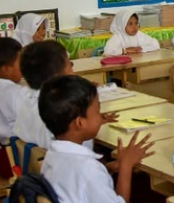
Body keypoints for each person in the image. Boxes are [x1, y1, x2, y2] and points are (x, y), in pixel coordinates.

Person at [40, 75, 154, 203]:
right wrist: (126, 166)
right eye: (97, 110)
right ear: (80, 123)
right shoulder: (87, 168)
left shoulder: (52, 155)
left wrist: (108, 168)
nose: (101, 117)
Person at [13, 41, 118, 149]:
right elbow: (80, 144)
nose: (73, 71)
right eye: (70, 65)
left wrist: (94, 119)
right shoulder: (57, 112)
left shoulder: (25, 102)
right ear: (58, 77)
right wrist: (91, 122)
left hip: (37, 164)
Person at [0, 37, 24, 143]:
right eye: (20, 62)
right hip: (22, 152)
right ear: (5, 70)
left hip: (7, 149)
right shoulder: (16, 93)